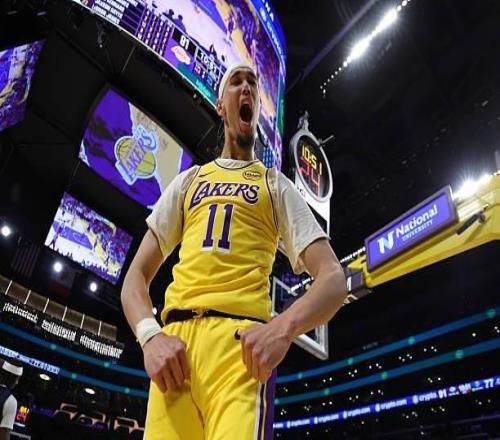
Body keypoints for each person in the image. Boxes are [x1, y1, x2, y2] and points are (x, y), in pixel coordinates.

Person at [121, 63, 347, 440]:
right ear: (220, 106)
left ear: (256, 110)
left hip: (240, 353)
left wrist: (283, 328)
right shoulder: (189, 181)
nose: (246, 89)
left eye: (253, 85)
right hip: (175, 354)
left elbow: (334, 279)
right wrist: (150, 337)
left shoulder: (276, 185)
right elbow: (134, 279)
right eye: (236, 82)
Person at [0, 359, 23, 440]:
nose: (17, 383)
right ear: (12, 378)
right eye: (17, 379)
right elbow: (4, 435)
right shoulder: (10, 400)